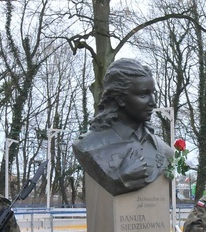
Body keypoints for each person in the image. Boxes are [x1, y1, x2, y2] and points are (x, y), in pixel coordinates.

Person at [72, 58, 174, 195]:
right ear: (119, 98)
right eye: (143, 94)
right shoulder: (88, 146)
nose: (153, 103)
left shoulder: (164, 151)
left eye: (152, 94)